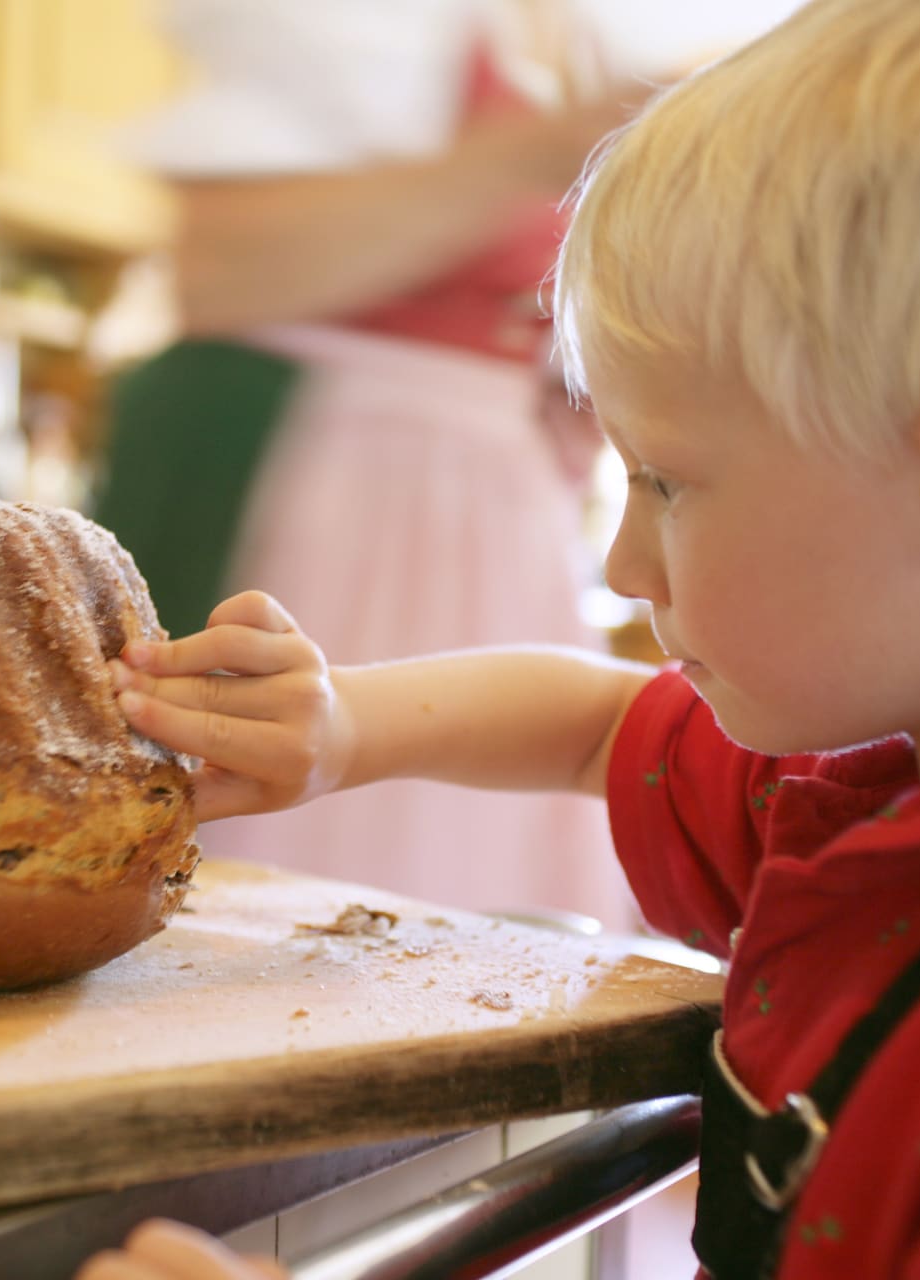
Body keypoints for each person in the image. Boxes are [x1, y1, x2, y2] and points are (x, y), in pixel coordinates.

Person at [79, 0, 920, 1275]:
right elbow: (589, 723)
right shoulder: (869, 790)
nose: (625, 565)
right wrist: (347, 726)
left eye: (669, 482)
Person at [95, 0, 637, 926]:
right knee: (318, 852)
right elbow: (219, 269)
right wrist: (538, 149)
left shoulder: (542, 30)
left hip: (477, 496)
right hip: (351, 490)